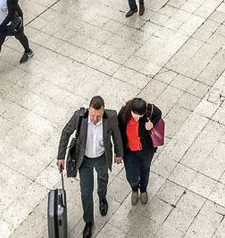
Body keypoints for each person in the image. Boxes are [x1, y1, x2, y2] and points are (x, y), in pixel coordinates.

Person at [57, 96, 123, 237]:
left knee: (103, 178)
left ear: (103, 111)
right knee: (86, 193)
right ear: (89, 109)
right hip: (84, 160)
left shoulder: (111, 117)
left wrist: (119, 153)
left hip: (102, 158)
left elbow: (116, 135)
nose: (94, 119)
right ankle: (88, 222)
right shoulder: (79, 116)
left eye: (98, 116)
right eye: (93, 115)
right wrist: (60, 156)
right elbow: (66, 132)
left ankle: (102, 197)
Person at [118, 98, 162, 205]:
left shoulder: (148, 111)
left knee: (145, 170)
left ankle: (143, 190)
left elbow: (158, 113)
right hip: (129, 151)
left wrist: (152, 123)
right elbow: (118, 134)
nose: (137, 118)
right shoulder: (123, 115)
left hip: (145, 149)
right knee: (131, 174)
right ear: (131, 110)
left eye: (140, 116)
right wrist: (119, 152)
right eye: (135, 115)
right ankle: (134, 189)